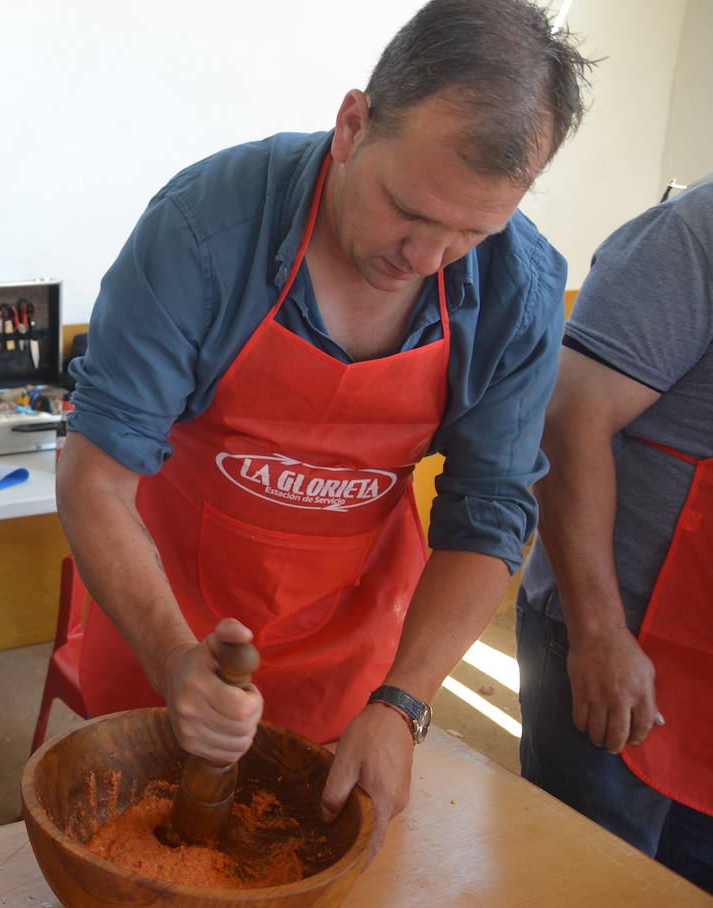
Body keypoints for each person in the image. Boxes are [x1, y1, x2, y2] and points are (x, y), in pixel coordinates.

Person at [56, 0, 594, 856]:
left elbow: (488, 515)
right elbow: (96, 473)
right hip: (165, 621)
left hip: (356, 654)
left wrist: (403, 703)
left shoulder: (518, 287)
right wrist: (172, 657)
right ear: (353, 125)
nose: (424, 259)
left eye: (471, 231)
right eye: (408, 210)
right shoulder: (205, 229)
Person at [516, 180, 713, 892]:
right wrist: (599, 634)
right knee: (593, 885)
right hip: (620, 645)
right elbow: (567, 419)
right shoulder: (693, 233)